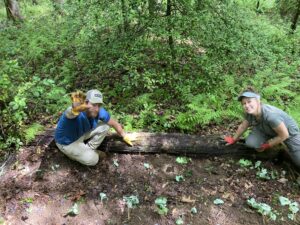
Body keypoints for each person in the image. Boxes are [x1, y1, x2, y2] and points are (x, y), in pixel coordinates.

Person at [224, 88, 300, 168]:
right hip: (266, 129)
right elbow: (243, 126)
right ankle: (277, 145)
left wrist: (267, 145)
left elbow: (284, 135)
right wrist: (234, 139)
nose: (246, 105)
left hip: (289, 134)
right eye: (244, 103)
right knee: (251, 143)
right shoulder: (250, 113)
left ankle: (284, 149)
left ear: (258, 101)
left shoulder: (271, 115)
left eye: (249, 101)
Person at [54, 89, 133, 166]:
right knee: (93, 160)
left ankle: (90, 148)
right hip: (67, 142)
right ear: (86, 102)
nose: (97, 109)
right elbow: (70, 113)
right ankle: (80, 154)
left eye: (99, 105)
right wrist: (74, 108)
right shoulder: (76, 111)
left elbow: (113, 123)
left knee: (105, 126)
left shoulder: (99, 111)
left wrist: (124, 136)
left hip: (80, 134)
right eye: (94, 104)